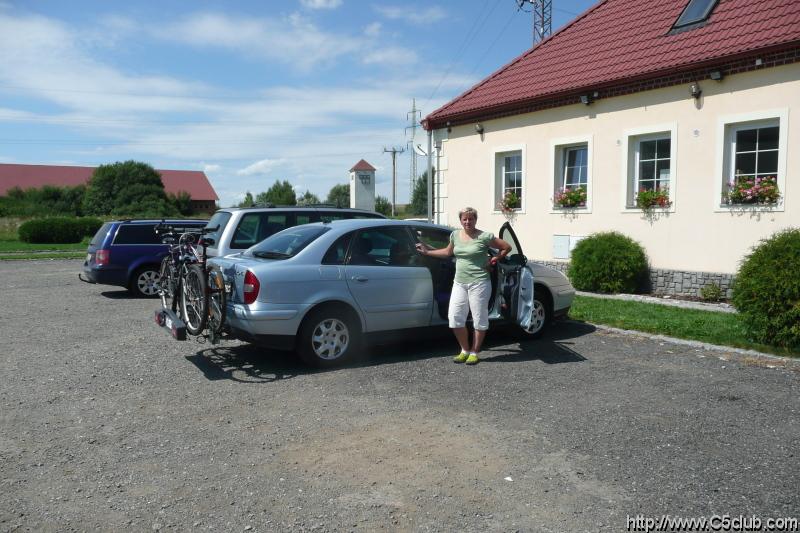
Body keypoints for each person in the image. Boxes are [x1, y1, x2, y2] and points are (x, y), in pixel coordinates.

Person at [415, 207, 512, 365]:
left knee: (479, 319)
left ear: (475, 220)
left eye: (471, 219)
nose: (468, 221)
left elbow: (506, 247)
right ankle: (464, 350)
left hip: (479, 282)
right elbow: (447, 252)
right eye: (465, 219)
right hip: (459, 282)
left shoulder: (484, 236)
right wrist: (427, 252)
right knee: (455, 318)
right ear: (461, 220)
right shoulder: (455, 235)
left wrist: (494, 260)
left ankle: (474, 351)